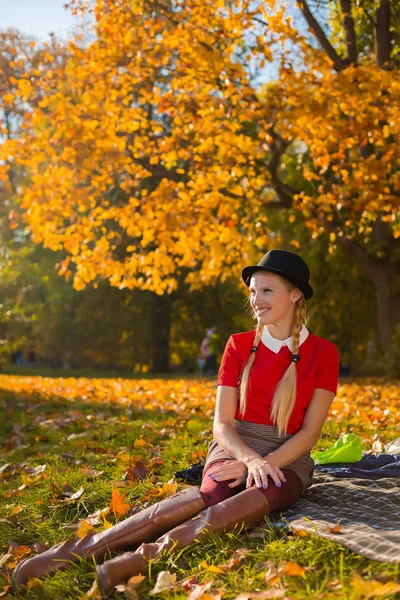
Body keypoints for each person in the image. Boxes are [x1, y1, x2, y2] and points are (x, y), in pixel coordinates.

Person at [12, 249, 340, 596]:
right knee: (214, 492)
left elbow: (310, 432)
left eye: (267, 291)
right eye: (253, 292)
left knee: (268, 489)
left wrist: (262, 465)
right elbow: (222, 425)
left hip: (288, 454)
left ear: (295, 294)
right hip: (237, 444)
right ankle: (78, 552)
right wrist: (248, 460)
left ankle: (140, 560)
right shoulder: (239, 345)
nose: (256, 300)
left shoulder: (324, 353)